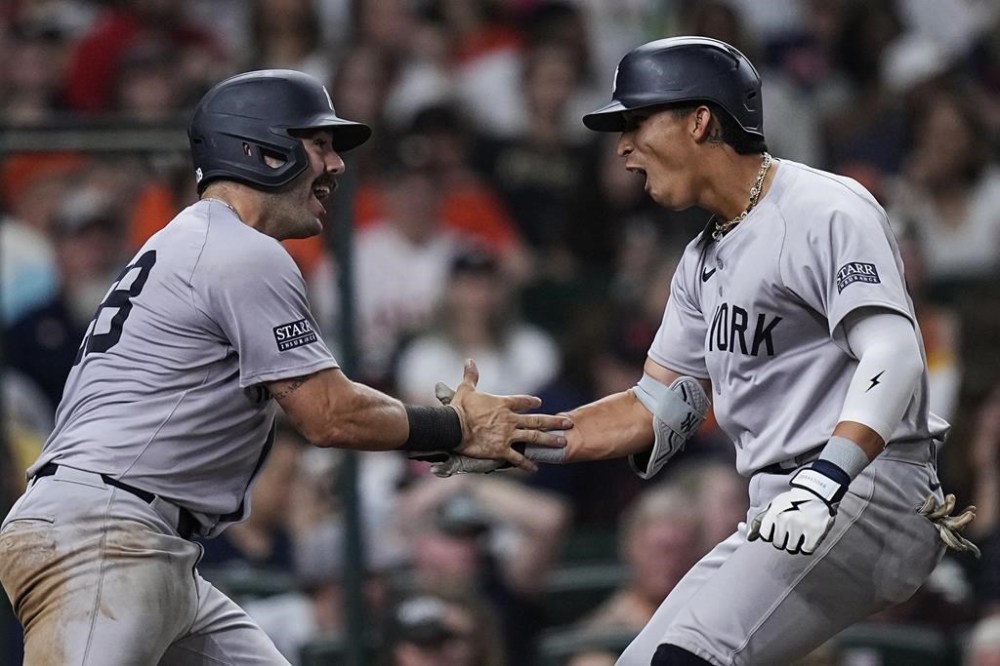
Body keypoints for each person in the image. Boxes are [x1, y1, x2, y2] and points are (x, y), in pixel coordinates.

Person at [428, 37, 980, 665]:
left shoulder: (825, 206)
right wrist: (516, 435)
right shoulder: (700, 262)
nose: (623, 146)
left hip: (866, 488)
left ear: (701, 120)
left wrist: (826, 480)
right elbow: (652, 411)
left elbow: (895, 353)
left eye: (638, 122)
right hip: (782, 505)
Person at [0, 68, 570, 665]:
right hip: (107, 535)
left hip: (138, 537)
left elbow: (322, 407)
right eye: (318, 144)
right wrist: (457, 427)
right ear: (259, 148)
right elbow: (329, 414)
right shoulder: (239, 250)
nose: (336, 165)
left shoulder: (193, 240)